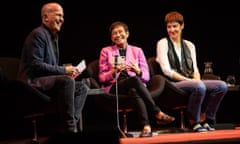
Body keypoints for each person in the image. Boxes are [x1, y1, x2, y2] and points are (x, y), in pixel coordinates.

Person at [18, 2, 89, 134]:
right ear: (45, 18)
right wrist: (64, 71)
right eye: (58, 15)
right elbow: (36, 65)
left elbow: (50, 66)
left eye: (62, 16)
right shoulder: (37, 34)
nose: (62, 19)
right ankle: (69, 129)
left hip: (45, 81)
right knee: (67, 81)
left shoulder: (52, 37)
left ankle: (69, 126)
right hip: (32, 82)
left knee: (82, 87)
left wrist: (66, 71)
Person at [98, 21, 175, 137]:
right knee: (134, 81)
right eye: (114, 33)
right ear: (111, 37)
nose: (118, 35)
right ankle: (157, 112)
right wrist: (114, 71)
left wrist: (138, 71)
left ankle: (146, 126)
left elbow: (147, 76)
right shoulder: (106, 51)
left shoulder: (137, 51)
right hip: (115, 86)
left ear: (127, 34)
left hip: (135, 85)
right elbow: (101, 77)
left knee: (133, 89)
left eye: (120, 32)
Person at [155, 11, 228, 132]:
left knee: (222, 86)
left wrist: (196, 79)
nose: (172, 30)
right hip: (171, 84)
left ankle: (206, 118)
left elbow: (195, 70)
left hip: (190, 81)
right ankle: (194, 120)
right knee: (199, 85)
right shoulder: (163, 43)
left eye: (175, 26)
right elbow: (167, 71)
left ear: (182, 26)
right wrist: (192, 81)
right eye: (169, 27)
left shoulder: (190, 45)